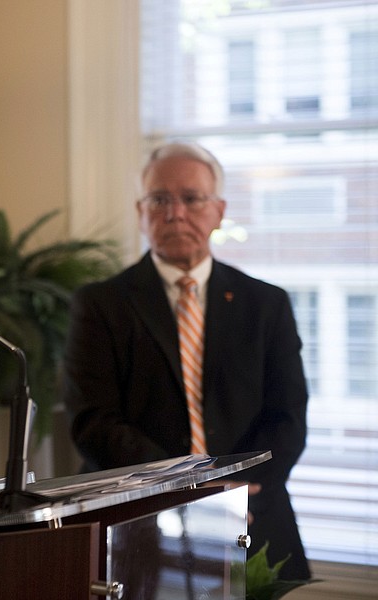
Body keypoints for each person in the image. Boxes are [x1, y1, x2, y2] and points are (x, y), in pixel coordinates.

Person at [62, 141, 311, 580]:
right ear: (141, 212)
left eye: (192, 199)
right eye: (159, 200)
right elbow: (94, 421)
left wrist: (236, 491)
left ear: (218, 210)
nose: (175, 213)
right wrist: (185, 489)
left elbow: (287, 416)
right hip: (138, 520)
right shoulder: (100, 304)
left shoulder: (266, 304)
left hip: (254, 514)